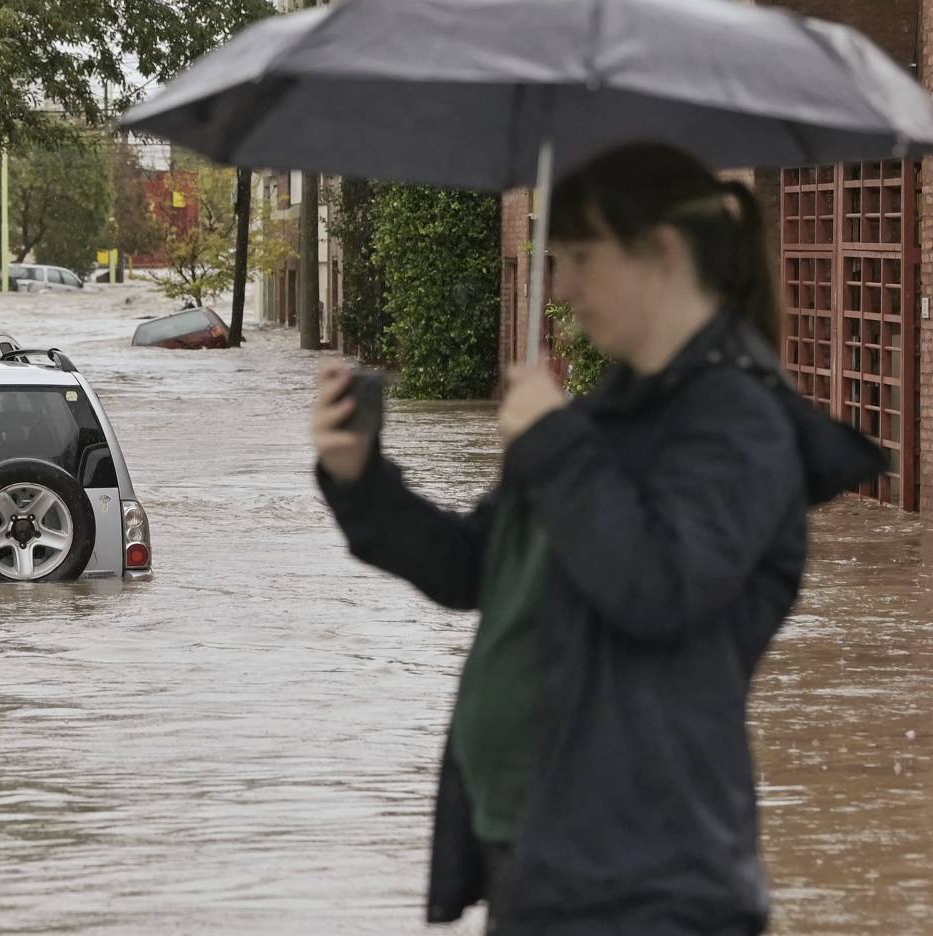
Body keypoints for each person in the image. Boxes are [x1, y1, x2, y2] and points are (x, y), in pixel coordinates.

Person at [309, 143, 885, 936]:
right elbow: (472, 568)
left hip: (648, 871)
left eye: (581, 257)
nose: (566, 286)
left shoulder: (741, 426)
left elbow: (661, 589)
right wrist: (359, 479)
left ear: (665, 254)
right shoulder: (598, 422)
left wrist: (551, 444)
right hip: (542, 845)